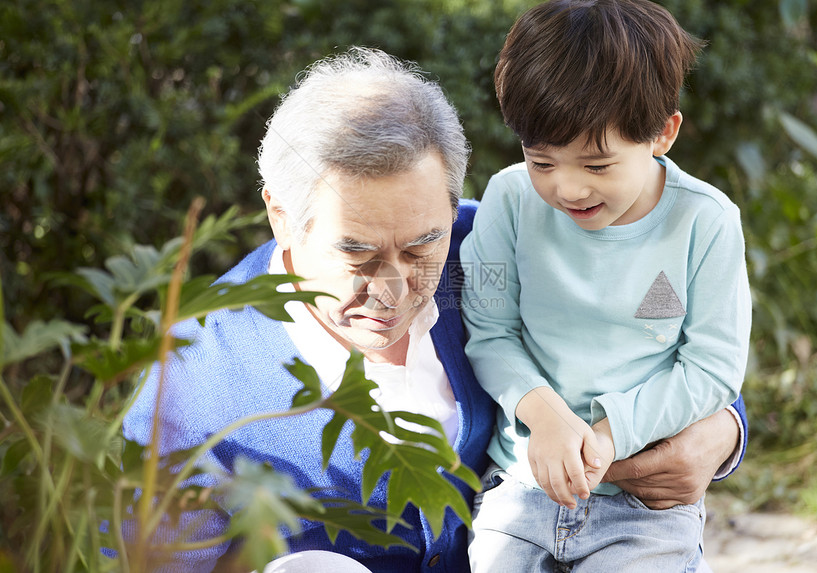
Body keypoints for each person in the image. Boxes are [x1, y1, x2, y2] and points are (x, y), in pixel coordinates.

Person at [123, 46, 747, 572]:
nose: (394, 286)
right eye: (357, 252)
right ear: (282, 218)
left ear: (453, 208)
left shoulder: (490, 250)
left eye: (422, 243)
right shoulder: (189, 384)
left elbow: (650, 346)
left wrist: (723, 434)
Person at [460, 1, 752, 572]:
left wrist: (613, 433)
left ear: (663, 134)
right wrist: (542, 416)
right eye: (541, 160)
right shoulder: (509, 200)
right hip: (520, 487)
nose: (567, 189)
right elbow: (490, 331)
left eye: (596, 166)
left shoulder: (705, 222)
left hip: (645, 507)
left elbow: (713, 367)